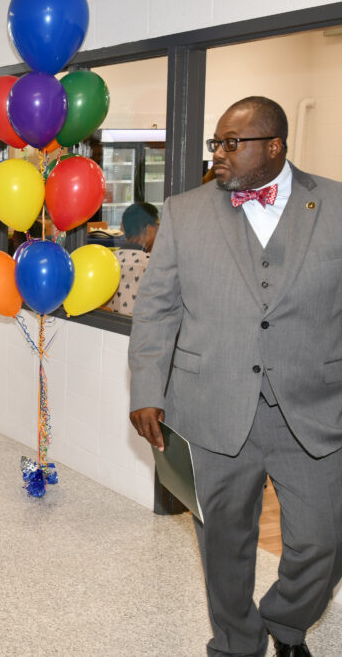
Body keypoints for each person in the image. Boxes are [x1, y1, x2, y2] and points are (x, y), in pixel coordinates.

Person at [128, 96, 342, 657]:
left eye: (231, 143)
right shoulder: (183, 211)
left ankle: (286, 620)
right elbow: (157, 309)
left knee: (325, 539)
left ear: (274, 146)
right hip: (212, 405)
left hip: (316, 407)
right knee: (224, 545)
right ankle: (236, 642)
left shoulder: (338, 206)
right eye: (215, 143)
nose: (218, 154)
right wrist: (148, 389)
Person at [104, 201, 159, 316]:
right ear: (149, 230)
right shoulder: (152, 265)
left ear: (122, 227)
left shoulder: (109, 260)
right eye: (158, 228)